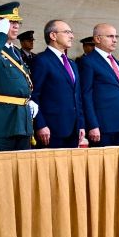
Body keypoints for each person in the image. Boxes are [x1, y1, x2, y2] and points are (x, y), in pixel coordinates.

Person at [0, 2, 35, 151]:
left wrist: (28, 100)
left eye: (17, 22)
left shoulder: (15, 51)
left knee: (22, 170)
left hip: (21, 120)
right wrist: (1, 35)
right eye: (10, 22)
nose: (16, 26)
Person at [30, 19, 84, 148]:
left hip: (73, 129)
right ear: (53, 35)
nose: (72, 36)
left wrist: (81, 124)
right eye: (67, 32)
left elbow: (77, 96)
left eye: (71, 32)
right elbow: (33, 96)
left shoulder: (72, 64)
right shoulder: (41, 60)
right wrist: (40, 124)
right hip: (50, 130)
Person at [79, 23, 119, 147]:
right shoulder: (88, 61)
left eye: (116, 36)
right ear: (97, 39)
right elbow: (86, 95)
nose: (115, 40)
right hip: (102, 126)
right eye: (110, 36)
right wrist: (92, 125)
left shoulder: (116, 62)